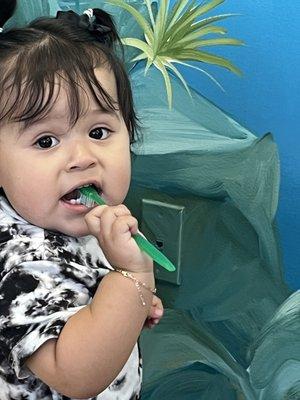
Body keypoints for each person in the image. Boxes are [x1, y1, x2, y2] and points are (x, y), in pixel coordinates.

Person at [0, 1, 164, 399]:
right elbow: (76, 375)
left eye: (99, 132)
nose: (83, 158)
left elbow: (84, 295)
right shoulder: (19, 261)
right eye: (46, 140)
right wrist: (134, 279)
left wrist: (122, 302)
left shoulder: (65, 216)